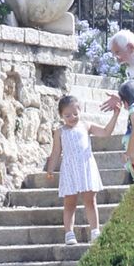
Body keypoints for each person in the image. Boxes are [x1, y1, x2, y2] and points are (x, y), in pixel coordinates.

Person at [45, 92, 105, 245]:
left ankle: (95, 231)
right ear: (61, 116)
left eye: (75, 114)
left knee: (90, 200)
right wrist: (50, 169)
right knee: (70, 203)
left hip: (85, 167)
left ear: (80, 111)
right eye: (67, 115)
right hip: (69, 169)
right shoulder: (60, 132)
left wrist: (116, 115)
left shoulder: (86, 126)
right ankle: (69, 233)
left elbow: (106, 132)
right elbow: (56, 151)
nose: (72, 117)